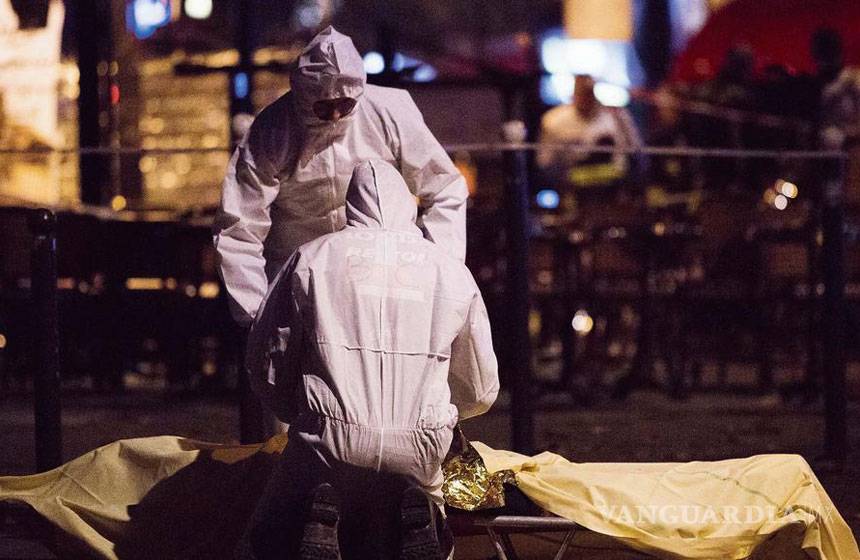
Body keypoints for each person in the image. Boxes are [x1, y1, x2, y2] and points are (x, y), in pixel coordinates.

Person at [238, 160, 499, 560]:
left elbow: (267, 361)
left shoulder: (311, 258)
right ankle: (416, 520)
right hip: (420, 444)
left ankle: (320, 518)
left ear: (351, 205)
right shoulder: (450, 270)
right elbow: (480, 387)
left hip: (326, 439)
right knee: (414, 502)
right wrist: (441, 415)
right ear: (408, 205)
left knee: (265, 542)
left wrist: (297, 413)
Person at [213, 26, 468, 330]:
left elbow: (445, 188)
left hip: (385, 281)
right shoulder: (271, 130)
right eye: (323, 107)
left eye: (344, 105)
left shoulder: (391, 112)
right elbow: (239, 226)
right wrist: (257, 316)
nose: (335, 116)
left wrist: (436, 278)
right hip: (299, 286)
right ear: (303, 97)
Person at [536, 74, 642, 202]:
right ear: (574, 93)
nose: (586, 98)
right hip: (573, 189)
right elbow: (546, 163)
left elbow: (636, 150)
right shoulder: (554, 120)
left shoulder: (616, 116)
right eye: (582, 92)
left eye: (589, 92)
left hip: (614, 189)